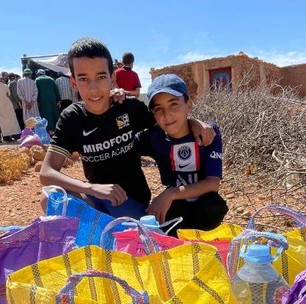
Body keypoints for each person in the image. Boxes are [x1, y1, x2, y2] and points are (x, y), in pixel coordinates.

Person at [40, 37, 214, 219]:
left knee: (125, 230)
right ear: (73, 82)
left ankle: (103, 232)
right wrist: (91, 188)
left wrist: (193, 122)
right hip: (95, 196)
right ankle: (100, 232)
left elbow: (168, 121)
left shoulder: (129, 107)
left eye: (101, 77)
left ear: (113, 78)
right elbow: (47, 173)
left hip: (130, 200)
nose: (94, 88)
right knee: (49, 198)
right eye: (84, 79)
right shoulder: (71, 117)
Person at [136, 74, 228, 230]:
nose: (167, 114)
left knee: (214, 207)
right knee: (161, 220)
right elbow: (122, 139)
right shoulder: (153, 137)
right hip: (176, 205)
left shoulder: (208, 133)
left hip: (202, 201)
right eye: (159, 109)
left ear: (189, 105)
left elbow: (213, 183)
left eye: (174, 104)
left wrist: (170, 193)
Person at [0, 73, 21, 140]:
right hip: (7, 104)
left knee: (3, 121)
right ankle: (15, 135)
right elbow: (8, 94)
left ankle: (6, 136)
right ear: (1, 78)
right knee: (12, 120)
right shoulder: (4, 86)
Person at [35, 69, 61, 135]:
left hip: (43, 100)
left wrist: (37, 101)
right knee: (54, 114)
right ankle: (58, 129)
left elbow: (36, 92)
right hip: (53, 100)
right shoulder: (51, 79)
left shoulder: (37, 80)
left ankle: (49, 130)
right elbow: (56, 90)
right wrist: (58, 100)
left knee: (46, 115)